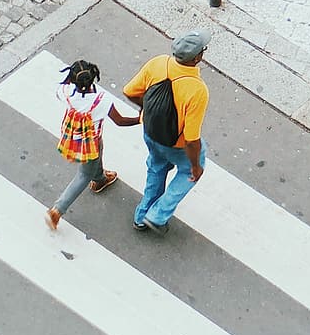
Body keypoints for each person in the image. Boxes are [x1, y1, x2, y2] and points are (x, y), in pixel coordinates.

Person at [123, 31, 211, 235]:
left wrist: (145, 110)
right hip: (176, 145)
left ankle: (141, 216)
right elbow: (191, 139)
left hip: (150, 132)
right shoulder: (197, 90)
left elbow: (129, 90)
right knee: (188, 172)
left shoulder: (158, 63)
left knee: (157, 167)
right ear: (197, 58)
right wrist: (196, 167)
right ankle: (157, 215)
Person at [46, 60, 139, 230]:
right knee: (83, 175)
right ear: (93, 78)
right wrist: (140, 119)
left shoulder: (65, 92)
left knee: (94, 162)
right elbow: (120, 121)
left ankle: (100, 179)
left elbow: (63, 87)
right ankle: (57, 210)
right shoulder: (101, 100)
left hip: (73, 137)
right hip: (90, 142)